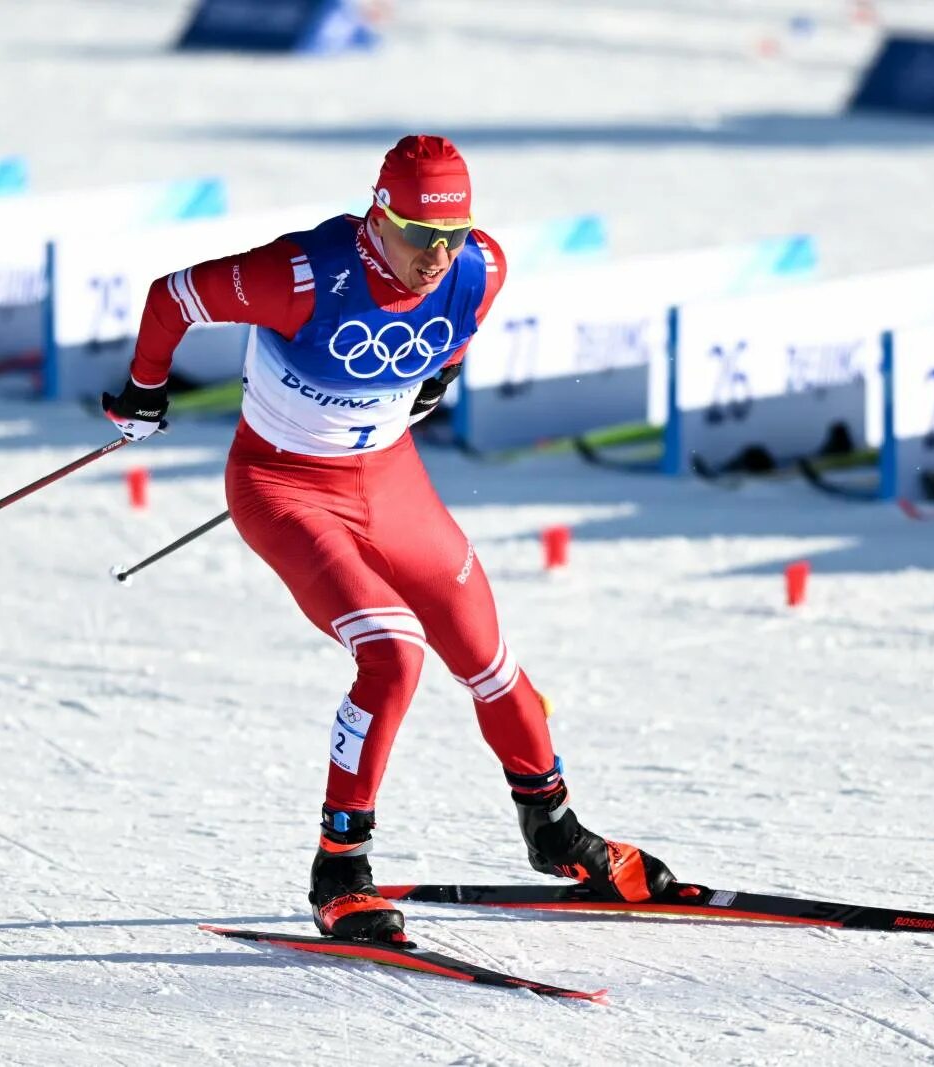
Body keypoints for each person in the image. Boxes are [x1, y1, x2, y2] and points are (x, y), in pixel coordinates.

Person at [102, 135, 674, 945]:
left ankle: (553, 829)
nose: (436, 256)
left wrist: (435, 381)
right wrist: (143, 390)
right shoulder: (299, 276)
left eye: (452, 234)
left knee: (488, 655)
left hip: (387, 479)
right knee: (393, 651)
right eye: (418, 235)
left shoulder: (481, 266)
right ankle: (340, 870)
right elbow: (173, 296)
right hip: (283, 486)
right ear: (379, 214)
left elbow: (457, 327)